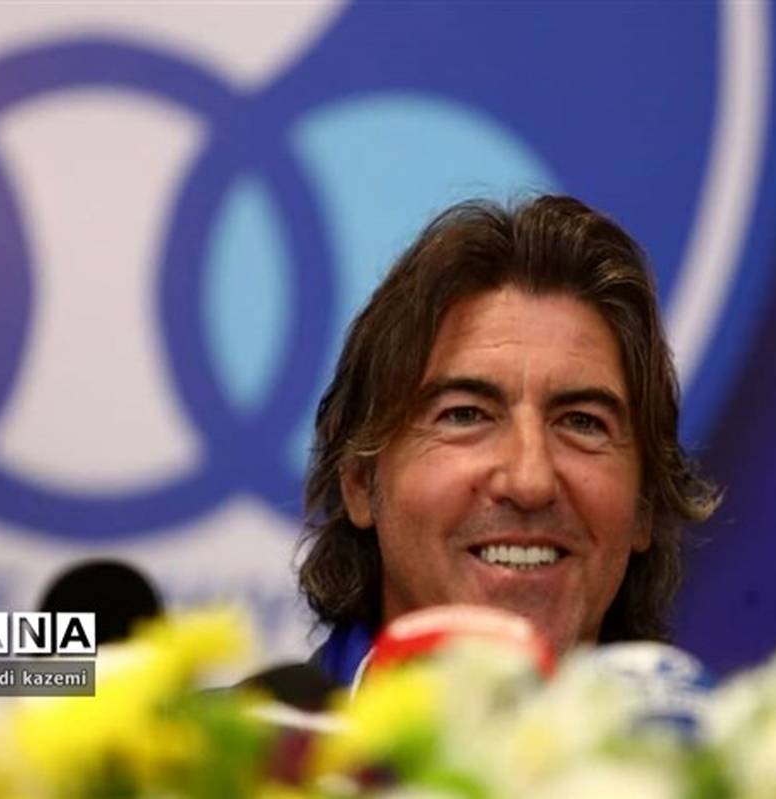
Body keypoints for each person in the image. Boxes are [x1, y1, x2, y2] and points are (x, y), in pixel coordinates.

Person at [297, 195, 720, 686]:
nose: (530, 482)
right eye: (465, 415)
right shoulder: (236, 736)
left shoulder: (723, 741)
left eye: (582, 423)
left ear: (644, 503)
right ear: (359, 480)